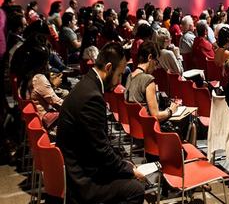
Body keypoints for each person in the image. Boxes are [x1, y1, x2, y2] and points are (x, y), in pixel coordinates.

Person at [57, 43, 146, 204]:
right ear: (109, 68)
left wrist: (123, 165)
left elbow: (98, 143)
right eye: (119, 74)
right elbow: (101, 150)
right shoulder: (91, 97)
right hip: (82, 180)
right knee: (135, 189)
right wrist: (129, 170)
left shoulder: (87, 84)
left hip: (80, 165)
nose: (119, 81)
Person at [19, 37, 64, 130]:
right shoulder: (39, 78)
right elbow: (56, 102)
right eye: (47, 60)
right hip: (46, 123)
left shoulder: (25, 76)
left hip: (37, 121)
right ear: (43, 62)